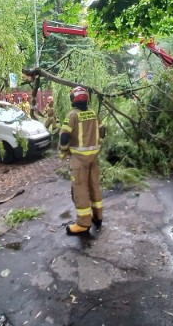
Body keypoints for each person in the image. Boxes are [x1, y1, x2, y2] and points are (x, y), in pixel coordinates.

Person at [59, 86, 103, 235]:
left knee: (80, 190)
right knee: (94, 186)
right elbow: (103, 131)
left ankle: (83, 224)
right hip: (94, 158)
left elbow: (64, 136)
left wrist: (64, 150)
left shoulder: (72, 116)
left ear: (73, 99)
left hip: (79, 160)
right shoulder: (94, 114)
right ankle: (98, 217)